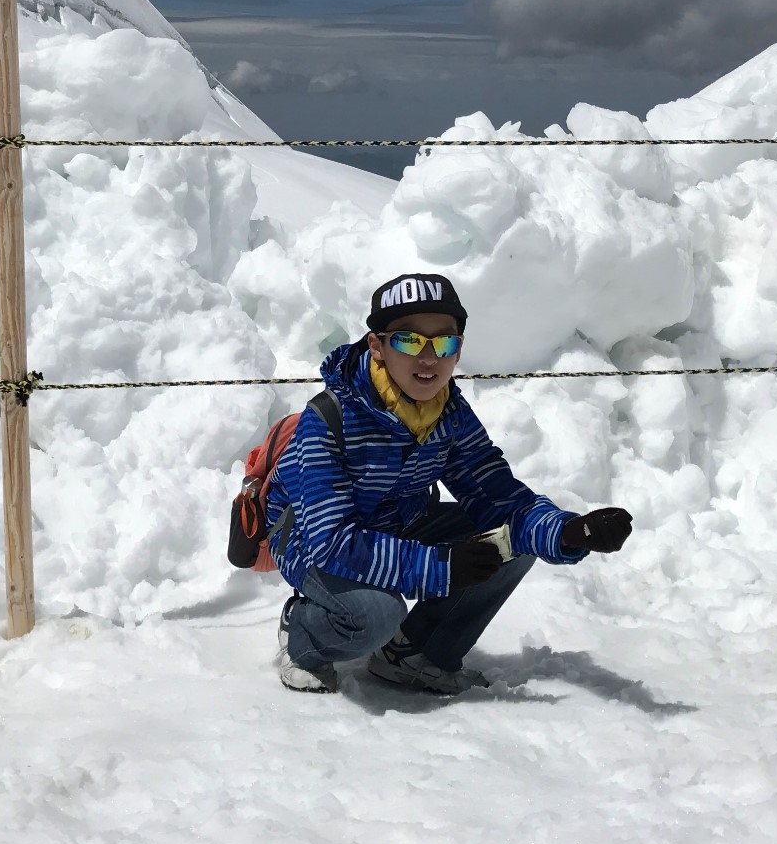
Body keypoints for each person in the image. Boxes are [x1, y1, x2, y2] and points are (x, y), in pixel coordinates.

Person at [267, 272, 633, 694]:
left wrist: (569, 531)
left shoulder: (448, 413)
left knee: (512, 540)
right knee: (375, 615)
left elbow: (497, 496)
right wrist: (441, 568)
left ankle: (414, 654)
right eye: (408, 340)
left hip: (397, 523)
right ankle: (304, 638)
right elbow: (331, 541)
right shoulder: (329, 417)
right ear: (377, 346)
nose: (428, 358)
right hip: (310, 542)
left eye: (445, 342)